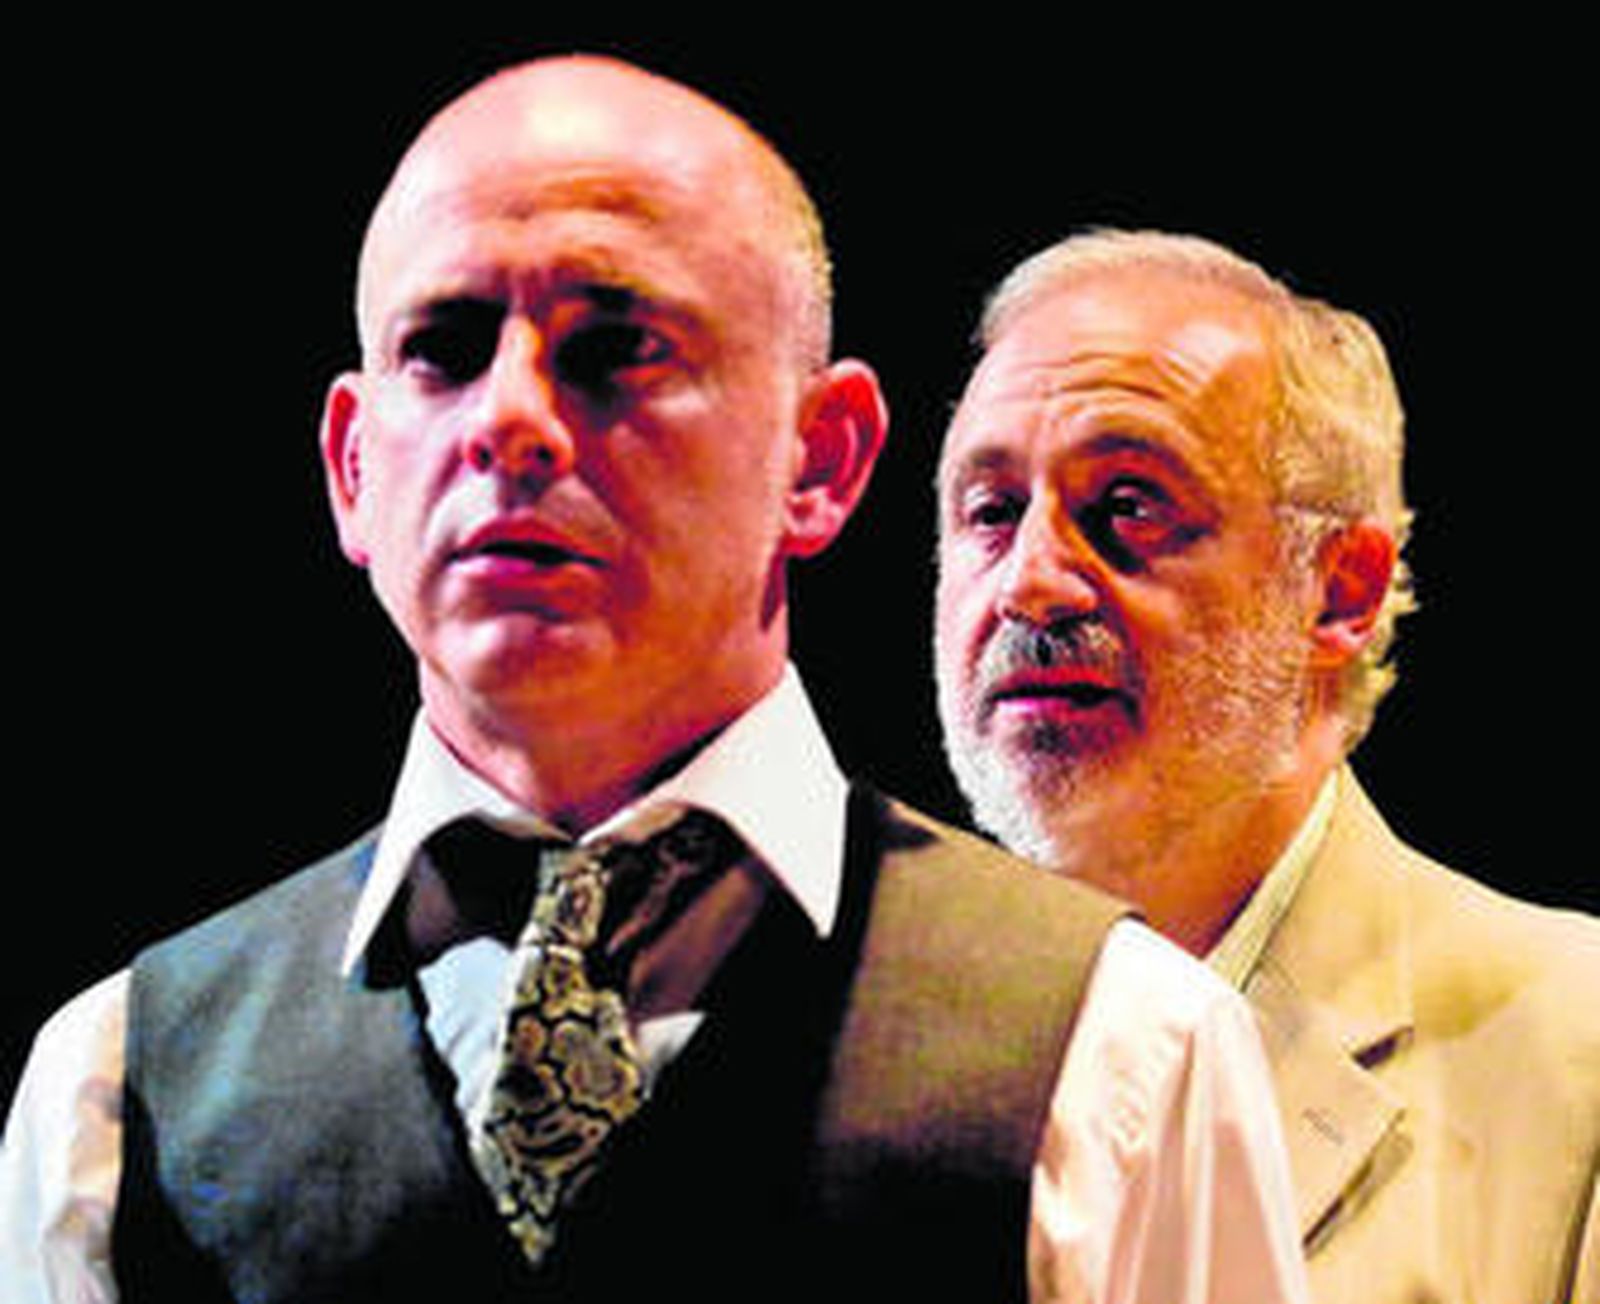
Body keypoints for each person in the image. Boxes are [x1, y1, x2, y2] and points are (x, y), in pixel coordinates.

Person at [0, 61, 1309, 1304]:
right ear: (352, 467)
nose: (508, 422)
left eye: (615, 346)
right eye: (442, 349)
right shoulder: (116, 1093)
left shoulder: (1126, 1053)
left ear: (820, 457)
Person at [933, 227, 1600, 1302]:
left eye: (1128, 506)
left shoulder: (1579, 1053)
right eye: (992, 513)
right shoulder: (857, 1038)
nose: (1030, 584)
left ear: (1339, 590)